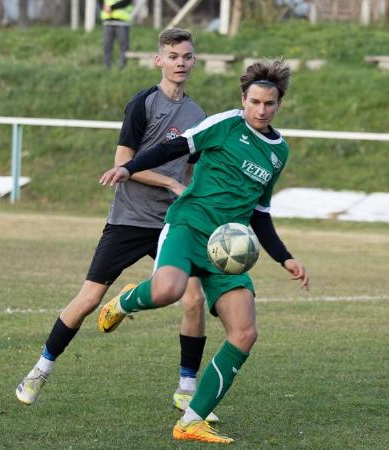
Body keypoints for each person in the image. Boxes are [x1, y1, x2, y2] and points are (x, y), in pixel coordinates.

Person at [98, 60, 310, 444]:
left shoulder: (279, 153)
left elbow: (260, 213)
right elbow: (172, 147)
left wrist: (286, 257)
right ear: (243, 99)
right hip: (189, 225)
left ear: (279, 105)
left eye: (270, 104)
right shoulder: (225, 124)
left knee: (245, 332)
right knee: (168, 290)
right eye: (255, 102)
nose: (261, 110)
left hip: (228, 246)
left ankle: (191, 421)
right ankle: (125, 301)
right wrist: (129, 168)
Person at [16, 28, 221, 421]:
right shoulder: (143, 104)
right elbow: (123, 164)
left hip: (172, 222)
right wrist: (169, 181)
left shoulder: (198, 116)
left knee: (193, 298)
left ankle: (186, 390)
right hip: (129, 219)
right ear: (158, 60)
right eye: (173, 56)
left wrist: (196, 198)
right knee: (88, 299)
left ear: (194, 61)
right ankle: (39, 370)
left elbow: (191, 171)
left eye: (187, 56)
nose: (181, 63)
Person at [99, 0, 133, 69]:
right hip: (108, 21)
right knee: (107, 46)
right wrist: (103, 6)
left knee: (124, 46)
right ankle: (107, 69)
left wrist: (111, 7)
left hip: (122, 22)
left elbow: (126, 2)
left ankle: (122, 68)